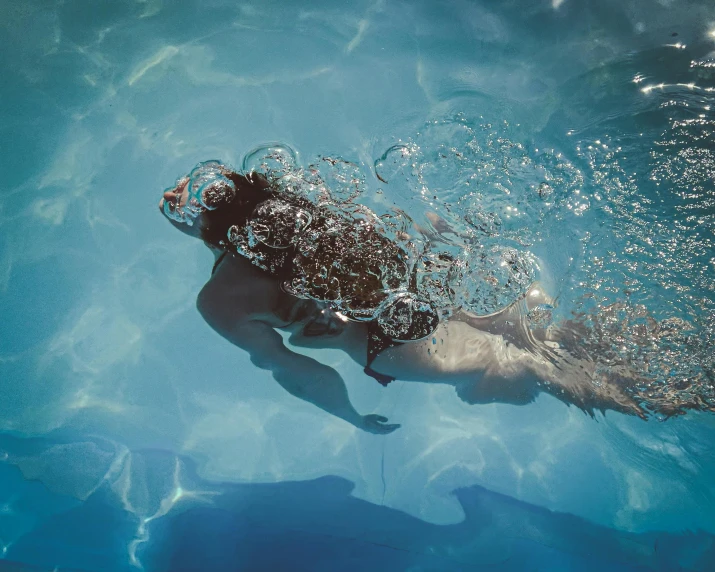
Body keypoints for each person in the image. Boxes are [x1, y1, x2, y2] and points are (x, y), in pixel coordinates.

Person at [158, 160, 657, 433]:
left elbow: (304, 375)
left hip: (388, 346)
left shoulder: (221, 300)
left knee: (519, 369)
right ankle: (664, 350)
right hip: (431, 278)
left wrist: (350, 417)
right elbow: (399, 221)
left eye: (179, 195)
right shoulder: (305, 195)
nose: (171, 195)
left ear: (204, 226)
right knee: (549, 333)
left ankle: (678, 399)